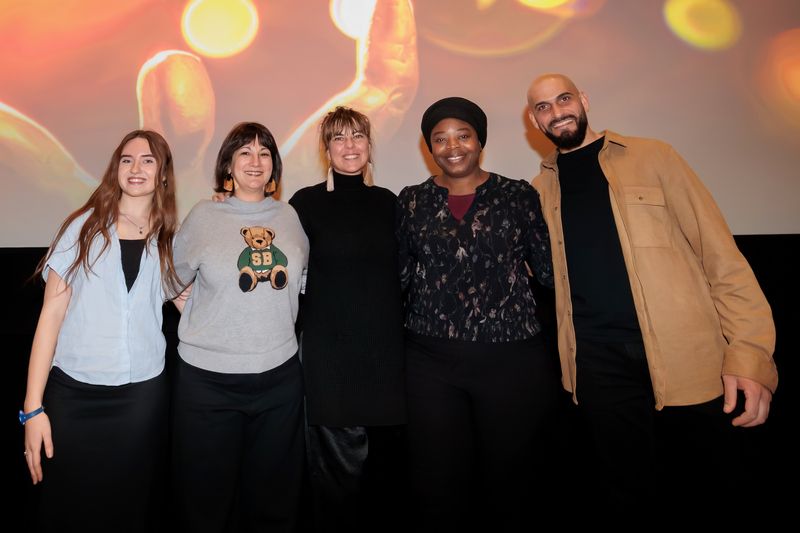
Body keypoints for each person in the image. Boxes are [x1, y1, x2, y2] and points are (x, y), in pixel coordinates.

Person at [526, 73, 778, 516]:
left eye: (563, 98)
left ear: (583, 99)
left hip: (689, 358)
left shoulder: (654, 156)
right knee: (626, 494)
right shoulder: (538, 191)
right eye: (543, 107)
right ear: (533, 120)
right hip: (598, 366)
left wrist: (751, 356)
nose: (557, 111)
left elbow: (722, 258)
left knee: (710, 488)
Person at [396, 97, 557, 531]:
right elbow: (399, 277)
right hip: (430, 364)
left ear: (479, 140)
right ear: (429, 147)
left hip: (511, 361)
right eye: (440, 138)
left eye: (463, 135)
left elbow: (548, 270)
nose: (452, 146)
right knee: (437, 484)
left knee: (512, 481)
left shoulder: (517, 195)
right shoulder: (411, 201)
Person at [21, 130, 180, 532]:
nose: (136, 168)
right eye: (127, 160)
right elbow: (50, 318)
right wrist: (32, 410)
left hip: (142, 397)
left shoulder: (169, 240)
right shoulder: (83, 228)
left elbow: (190, 305)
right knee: (68, 508)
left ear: (163, 173)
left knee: (129, 508)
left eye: (147, 160)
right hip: (74, 396)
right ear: (116, 169)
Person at [171, 122, 309, 532]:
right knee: (205, 501)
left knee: (273, 500)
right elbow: (169, 280)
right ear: (228, 165)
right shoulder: (204, 215)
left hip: (280, 380)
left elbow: (301, 283)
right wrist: (198, 316)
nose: (255, 161)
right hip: (208, 384)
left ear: (274, 167)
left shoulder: (289, 216)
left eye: (264, 152)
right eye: (244, 152)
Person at [288, 106, 406, 532]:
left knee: (386, 485)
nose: (350, 146)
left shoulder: (391, 203)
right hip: (330, 359)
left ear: (369, 145)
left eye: (357, 136)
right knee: (335, 489)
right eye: (339, 138)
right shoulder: (304, 203)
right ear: (327, 149)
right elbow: (285, 273)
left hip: (385, 360)